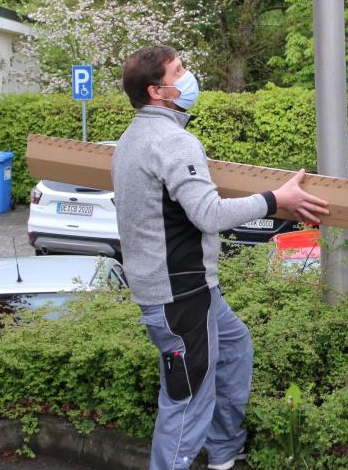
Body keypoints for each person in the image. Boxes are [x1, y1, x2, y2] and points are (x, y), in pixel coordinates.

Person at [113, 45, 332, 470]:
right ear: (159, 92)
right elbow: (209, 215)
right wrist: (274, 199)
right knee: (187, 398)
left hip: (190, 288)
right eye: (180, 71)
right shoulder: (173, 141)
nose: (189, 75)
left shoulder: (132, 137)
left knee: (234, 348)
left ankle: (225, 452)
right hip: (180, 293)